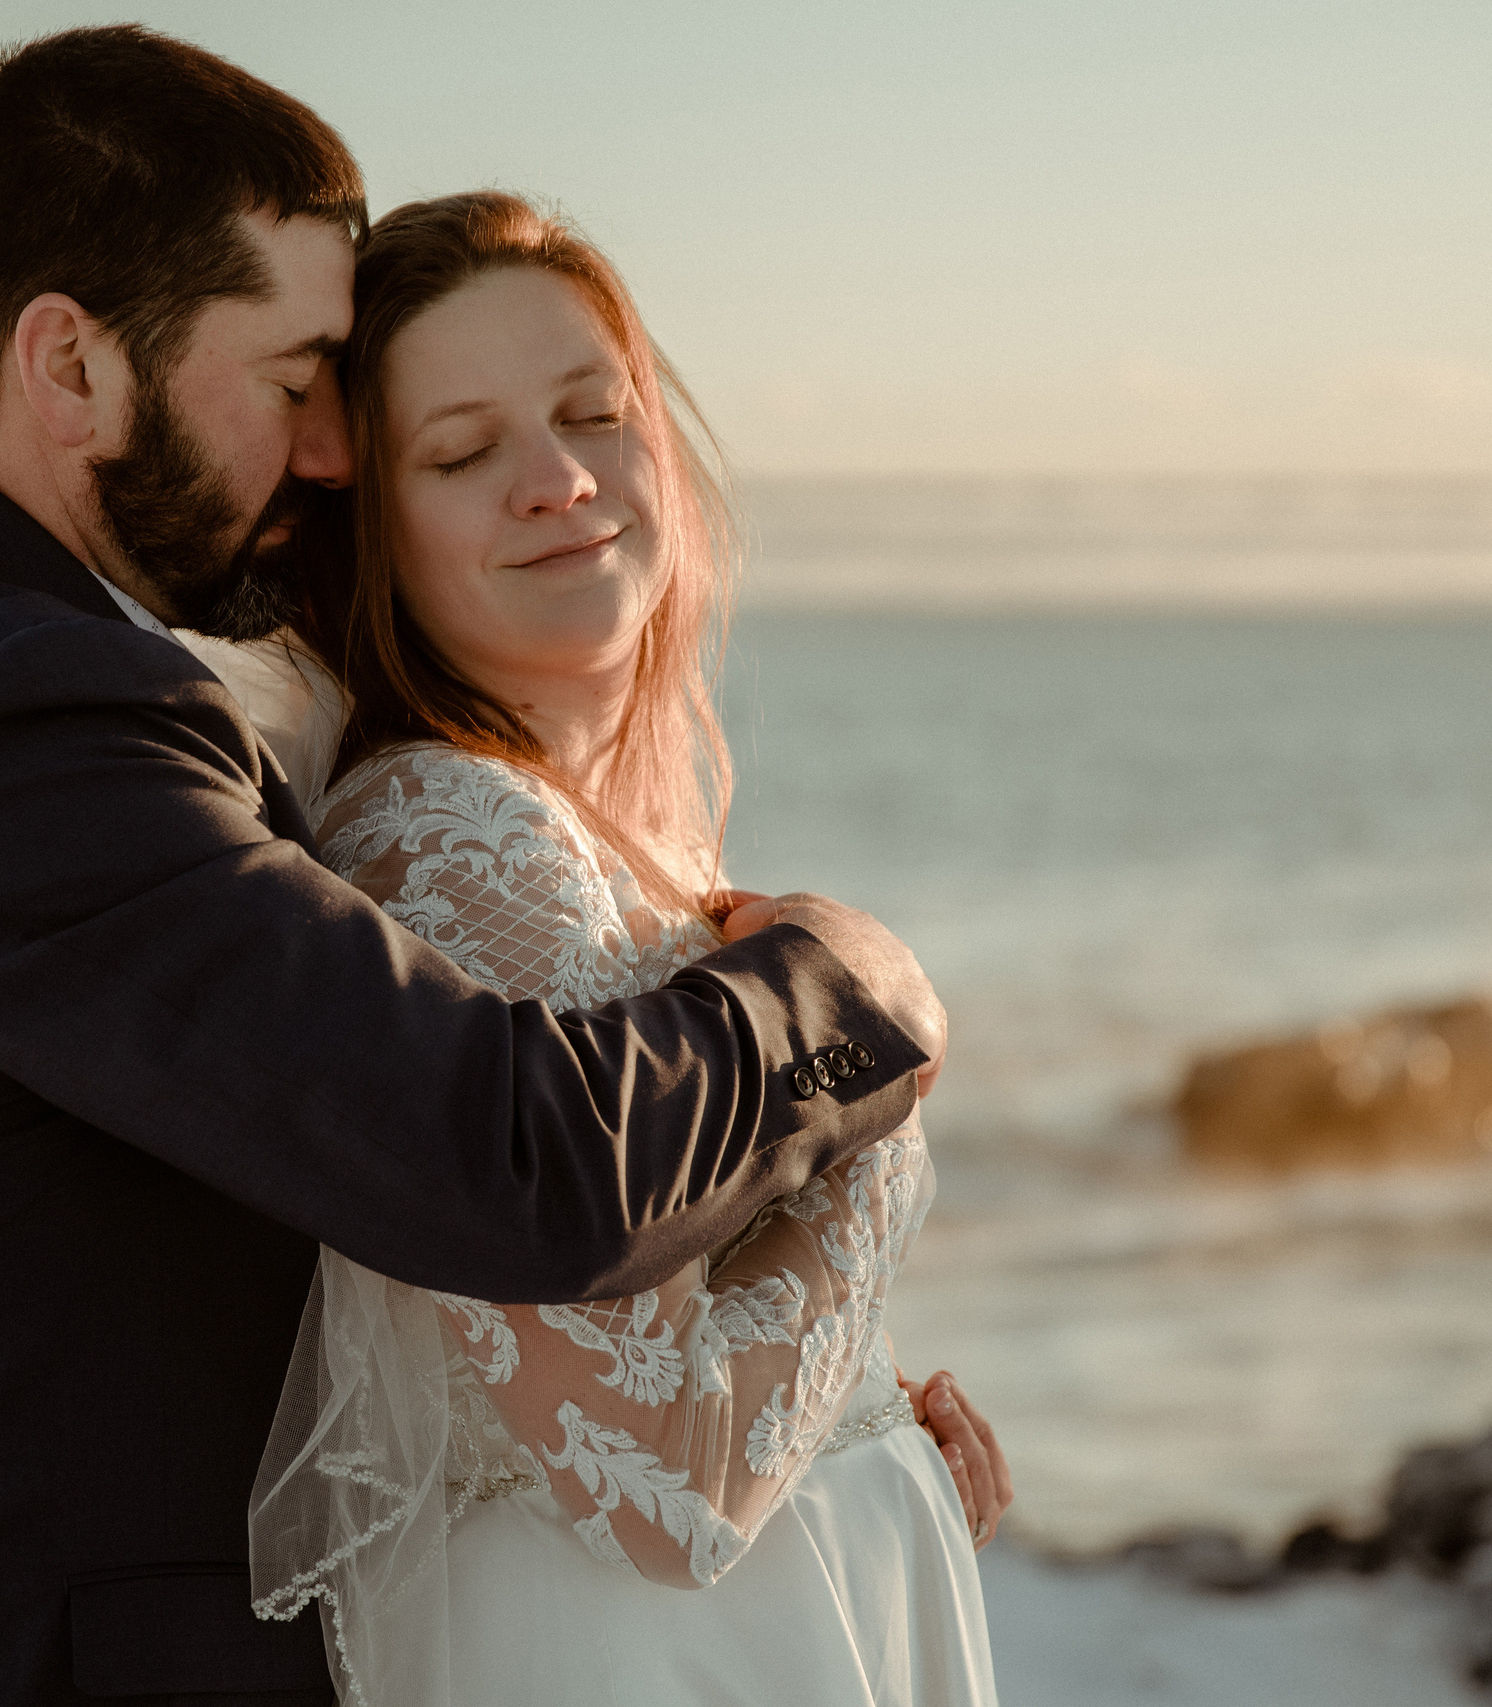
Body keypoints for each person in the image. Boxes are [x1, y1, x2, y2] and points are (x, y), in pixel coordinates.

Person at [0, 29, 944, 1707]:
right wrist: (852, 995)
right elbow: (513, 1165)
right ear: (70, 369)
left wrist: (840, 1411)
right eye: (288, 383)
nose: (328, 455)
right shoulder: (18, 726)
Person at [248, 193, 1007, 1705]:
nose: (555, 481)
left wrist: (870, 1436)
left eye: (593, 413)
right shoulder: (458, 848)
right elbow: (664, 1476)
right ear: (372, 531)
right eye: (463, 453)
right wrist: (876, 1062)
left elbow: (697, 1367)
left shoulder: (597, 838)